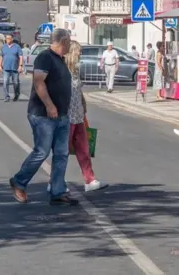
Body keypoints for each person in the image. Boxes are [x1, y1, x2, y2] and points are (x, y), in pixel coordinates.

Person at [9, 28, 77, 206]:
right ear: (63, 41)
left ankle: (57, 191)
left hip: (62, 115)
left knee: (61, 154)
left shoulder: (60, 60)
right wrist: (49, 105)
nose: (70, 43)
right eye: (69, 40)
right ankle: (19, 182)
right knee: (42, 151)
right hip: (44, 114)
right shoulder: (45, 57)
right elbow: (39, 82)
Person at [64, 41, 106, 192]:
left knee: (84, 149)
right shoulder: (63, 71)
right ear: (71, 52)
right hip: (67, 117)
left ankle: (90, 180)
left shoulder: (74, 71)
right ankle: (56, 182)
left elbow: (78, 91)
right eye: (78, 51)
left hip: (79, 116)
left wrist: (83, 104)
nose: (80, 54)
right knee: (63, 151)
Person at [1, 35, 23, 102]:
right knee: (5, 82)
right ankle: (6, 97)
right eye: (6, 38)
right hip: (6, 68)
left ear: (12, 39)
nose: (7, 40)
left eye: (8, 38)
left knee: (16, 83)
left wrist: (20, 66)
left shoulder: (17, 46)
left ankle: (16, 95)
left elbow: (21, 57)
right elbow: (1, 56)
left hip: (15, 68)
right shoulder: (4, 46)